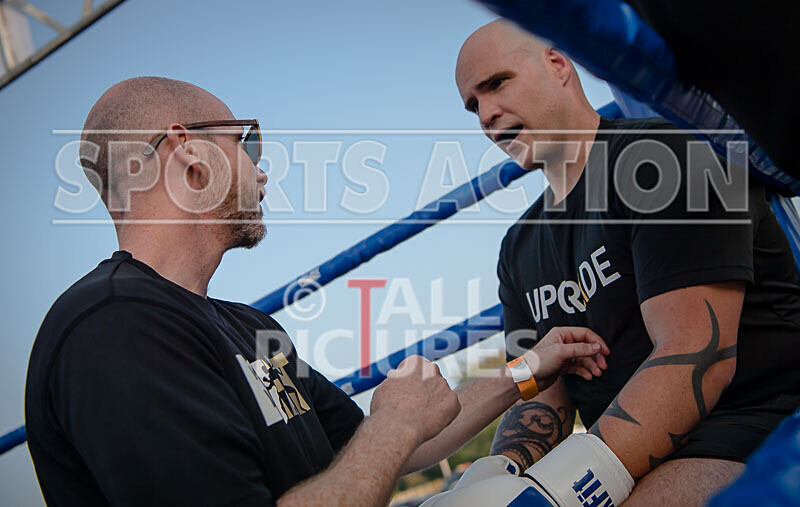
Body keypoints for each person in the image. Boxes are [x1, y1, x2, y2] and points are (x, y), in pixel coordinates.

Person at [25, 76, 610, 506]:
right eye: (246, 141)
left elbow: (377, 454)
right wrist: (393, 423)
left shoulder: (248, 327)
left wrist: (530, 368)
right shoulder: (114, 327)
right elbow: (388, 435)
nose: (261, 169)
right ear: (191, 154)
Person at [452, 20, 800, 505]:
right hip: (625, 458)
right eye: (473, 105)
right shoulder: (517, 248)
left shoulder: (663, 158)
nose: (487, 114)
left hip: (754, 427)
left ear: (557, 65)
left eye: (496, 84)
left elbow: (698, 354)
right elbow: (546, 394)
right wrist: (497, 471)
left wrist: (561, 491)